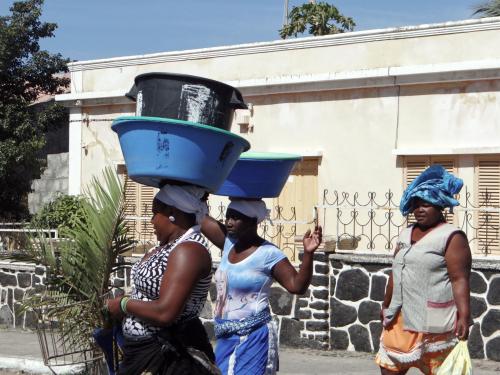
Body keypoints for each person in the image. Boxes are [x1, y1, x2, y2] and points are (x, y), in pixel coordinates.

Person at [106, 184, 220, 375]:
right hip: (142, 353)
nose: (151, 221)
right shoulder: (166, 246)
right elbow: (147, 294)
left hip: (170, 357)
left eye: (154, 213)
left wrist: (124, 304)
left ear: (172, 213)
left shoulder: (189, 251)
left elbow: (165, 313)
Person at [201, 197, 323, 375]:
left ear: (252, 221)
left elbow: (297, 286)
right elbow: (199, 215)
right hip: (225, 336)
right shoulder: (229, 244)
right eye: (228, 217)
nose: (229, 222)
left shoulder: (268, 254)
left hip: (254, 336)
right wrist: (199, 193)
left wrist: (308, 254)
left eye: (236, 218)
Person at [375, 165, 472, 375]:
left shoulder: (452, 237)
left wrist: (464, 315)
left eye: (426, 205)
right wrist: (385, 304)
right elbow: (395, 273)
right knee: (389, 369)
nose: (419, 209)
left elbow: (459, 279)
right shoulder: (405, 234)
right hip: (399, 320)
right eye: (416, 205)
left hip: (434, 325)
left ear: (440, 206)